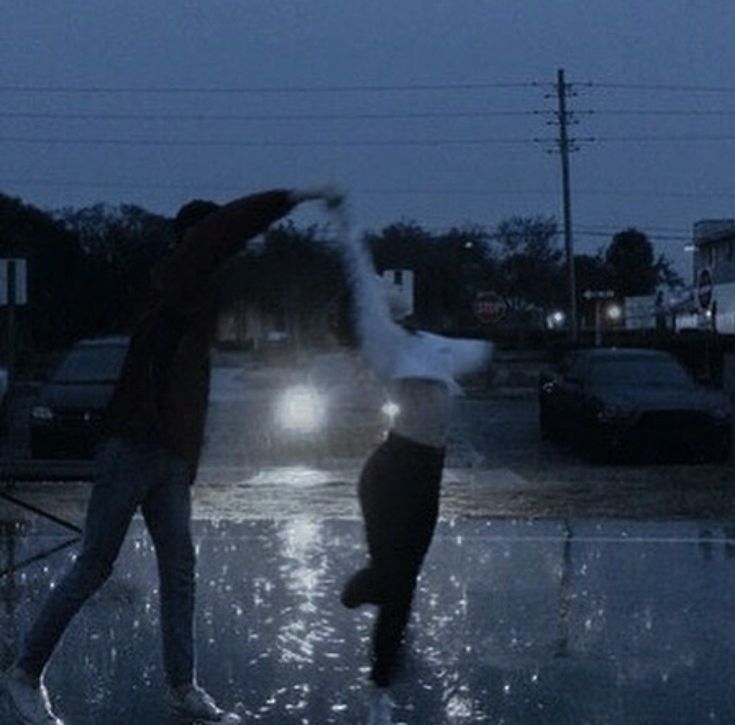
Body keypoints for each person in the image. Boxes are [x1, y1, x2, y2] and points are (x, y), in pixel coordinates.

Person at [1, 186, 341, 725]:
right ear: (193, 242)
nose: (226, 258)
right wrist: (290, 198)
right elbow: (224, 233)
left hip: (168, 459)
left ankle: (182, 687)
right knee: (94, 565)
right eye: (215, 245)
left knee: (180, 569)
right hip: (131, 449)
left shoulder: (199, 297)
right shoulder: (179, 283)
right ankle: (23, 673)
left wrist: (186, 460)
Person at [331, 207, 493, 705]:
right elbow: (360, 282)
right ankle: (380, 664)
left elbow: (478, 351)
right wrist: (347, 228)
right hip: (395, 472)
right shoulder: (391, 349)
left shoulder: (434, 346)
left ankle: (383, 659)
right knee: (397, 580)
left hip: (420, 473)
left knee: (403, 578)